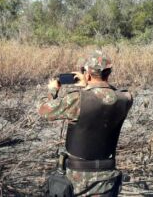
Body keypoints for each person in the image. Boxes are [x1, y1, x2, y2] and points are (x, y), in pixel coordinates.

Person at [38, 50, 133, 196]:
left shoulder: (77, 99)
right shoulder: (126, 99)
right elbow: (107, 96)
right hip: (108, 175)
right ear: (109, 73)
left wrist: (52, 90)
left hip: (78, 177)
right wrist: (89, 85)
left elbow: (44, 111)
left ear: (87, 73)